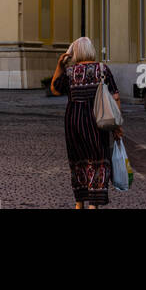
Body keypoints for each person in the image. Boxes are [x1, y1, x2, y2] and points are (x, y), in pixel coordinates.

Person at [50, 36, 123, 209]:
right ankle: (93, 205)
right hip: (96, 122)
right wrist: (117, 127)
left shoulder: (69, 72)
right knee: (97, 160)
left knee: (78, 161)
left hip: (73, 122)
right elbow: (116, 96)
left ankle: (79, 203)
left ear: (74, 53)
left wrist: (60, 65)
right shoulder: (103, 69)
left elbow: (54, 89)